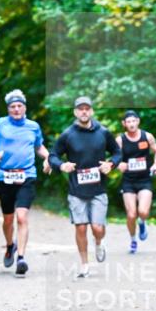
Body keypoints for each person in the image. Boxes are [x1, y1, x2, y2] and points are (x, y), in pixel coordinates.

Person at [49, 96, 122, 278]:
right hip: (76, 190)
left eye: (87, 108)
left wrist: (111, 164)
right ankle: (84, 264)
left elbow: (117, 152)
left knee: (97, 228)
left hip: (98, 189)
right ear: (75, 112)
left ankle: (99, 241)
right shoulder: (67, 135)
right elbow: (52, 155)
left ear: (91, 111)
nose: (84, 111)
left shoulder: (103, 132)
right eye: (80, 109)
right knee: (81, 228)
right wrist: (62, 165)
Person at [0, 89, 51, 277]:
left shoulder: (33, 126)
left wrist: (48, 158)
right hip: (5, 177)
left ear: (25, 107)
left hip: (27, 176)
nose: (16, 109)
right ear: (8, 109)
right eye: (13, 106)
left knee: (21, 217)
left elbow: (39, 146)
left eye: (20, 106)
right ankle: (9, 245)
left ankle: (21, 258)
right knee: (8, 219)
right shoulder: (0, 124)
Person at [116, 110, 156, 254]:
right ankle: (133, 240)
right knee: (131, 214)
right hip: (128, 181)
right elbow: (115, 157)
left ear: (138, 121)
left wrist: (155, 165)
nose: (131, 124)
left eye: (133, 121)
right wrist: (118, 164)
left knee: (142, 211)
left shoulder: (147, 136)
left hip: (144, 180)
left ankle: (142, 223)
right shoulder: (120, 140)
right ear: (124, 124)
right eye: (128, 121)